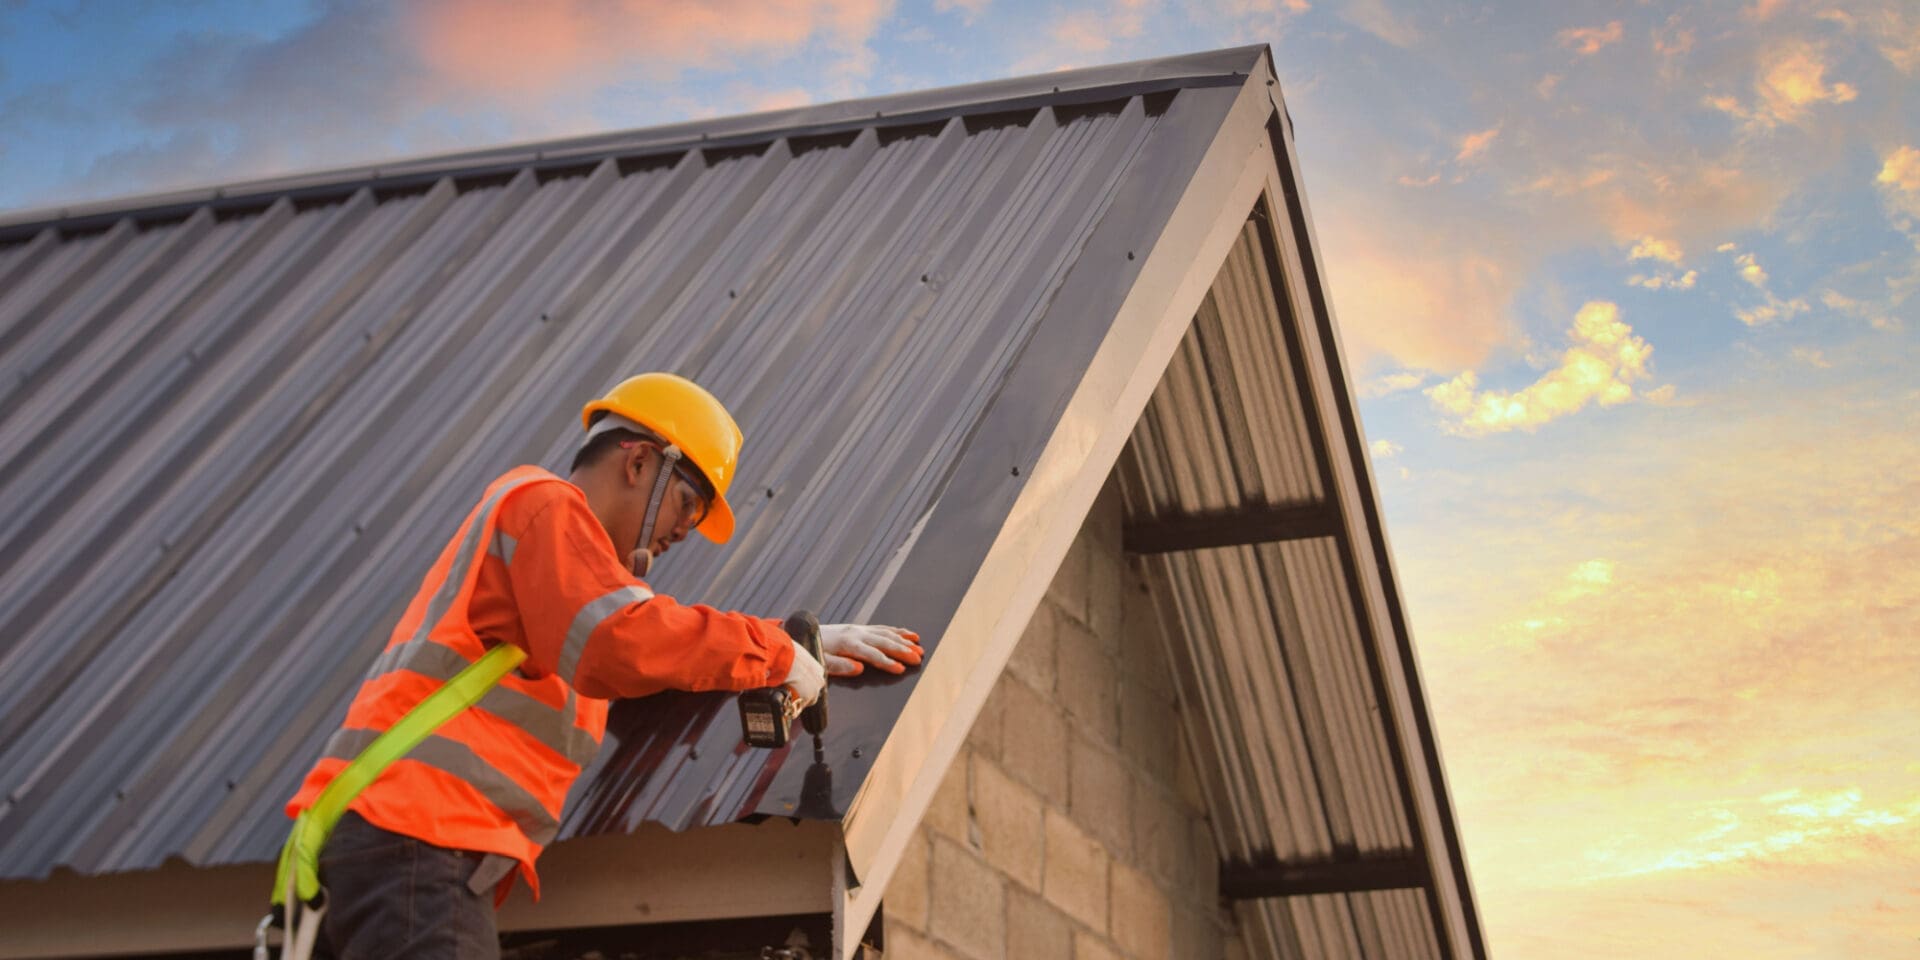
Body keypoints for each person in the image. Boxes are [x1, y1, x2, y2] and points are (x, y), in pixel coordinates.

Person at [284, 372, 921, 959]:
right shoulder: (543, 505)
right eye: (689, 504)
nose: (684, 531)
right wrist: (773, 651)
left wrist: (789, 644)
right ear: (640, 460)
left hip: (407, 843)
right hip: (421, 837)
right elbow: (624, 641)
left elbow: (648, 654)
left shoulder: (562, 596)